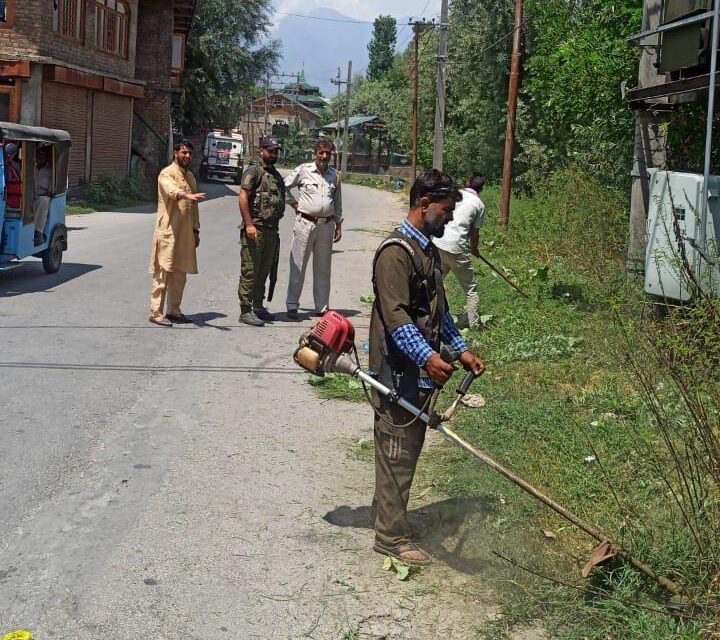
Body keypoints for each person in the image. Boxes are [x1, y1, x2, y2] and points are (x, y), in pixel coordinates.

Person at [368, 169, 486, 566]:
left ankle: (387, 514)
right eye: (447, 209)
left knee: (408, 446)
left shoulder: (428, 252)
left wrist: (459, 350)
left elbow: (441, 311)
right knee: (397, 447)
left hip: (416, 369)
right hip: (396, 370)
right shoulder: (394, 254)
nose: (452, 218)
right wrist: (428, 358)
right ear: (424, 204)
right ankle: (390, 537)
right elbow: (397, 317)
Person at [148, 140, 206, 327]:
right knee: (163, 272)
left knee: (180, 273)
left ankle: (174, 310)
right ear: (175, 154)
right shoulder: (166, 173)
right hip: (168, 231)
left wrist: (196, 230)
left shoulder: (190, 176)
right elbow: (172, 191)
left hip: (185, 233)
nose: (187, 156)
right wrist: (186, 195)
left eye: (190, 153)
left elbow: (194, 207)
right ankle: (156, 312)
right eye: (184, 153)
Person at [284, 138, 343, 320]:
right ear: (314, 153)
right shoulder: (303, 170)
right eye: (321, 152)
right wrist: (293, 203)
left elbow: (338, 200)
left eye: (328, 153)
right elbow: (282, 186)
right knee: (298, 265)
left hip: (327, 225)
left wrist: (339, 223)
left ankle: (322, 307)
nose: (324, 156)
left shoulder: (335, 175)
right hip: (305, 224)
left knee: (323, 268)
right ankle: (292, 304)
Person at [237, 136, 286, 327]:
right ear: (262, 151)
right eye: (270, 151)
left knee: (264, 271)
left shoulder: (274, 174)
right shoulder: (254, 171)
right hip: (255, 228)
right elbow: (243, 197)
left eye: (276, 151)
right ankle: (245, 309)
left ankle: (258, 306)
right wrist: (248, 224)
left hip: (271, 230)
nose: (273, 154)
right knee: (250, 270)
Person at [433, 173, 486, 329]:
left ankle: (429, 316)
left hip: (440, 243)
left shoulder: (456, 194)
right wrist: (475, 248)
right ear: (481, 189)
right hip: (457, 250)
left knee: (434, 283)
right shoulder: (479, 205)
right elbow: (474, 232)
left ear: (467, 182)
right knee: (470, 290)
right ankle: (475, 325)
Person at [34, 145, 53, 246]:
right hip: (29, 196)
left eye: (42, 155)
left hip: (42, 197)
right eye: (38, 155)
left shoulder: (50, 170)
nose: (40, 157)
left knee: (43, 201)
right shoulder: (30, 168)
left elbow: (51, 191)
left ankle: (38, 232)